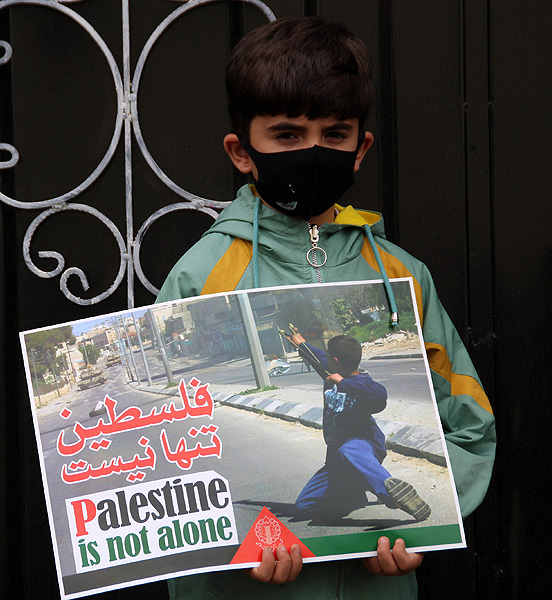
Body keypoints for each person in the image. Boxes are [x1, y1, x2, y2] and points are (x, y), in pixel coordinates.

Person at [156, 16, 496, 600]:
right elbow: (167, 458)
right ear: (241, 151)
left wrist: (433, 530)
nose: (312, 152)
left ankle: (388, 490)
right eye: (287, 135)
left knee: (358, 458)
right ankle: (358, 490)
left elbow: (470, 422)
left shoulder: (401, 274)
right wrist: (232, 556)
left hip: (373, 552)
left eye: (334, 134)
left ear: (360, 148)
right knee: (308, 506)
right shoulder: (202, 273)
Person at [289, 331, 432, 522]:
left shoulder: (363, 383)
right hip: (337, 459)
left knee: (348, 449)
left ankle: (393, 496)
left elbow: (380, 394)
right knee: (304, 506)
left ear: (336, 361)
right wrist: (301, 344)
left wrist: (343, 383)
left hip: (364, 447)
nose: (326, 360)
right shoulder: (330, 372)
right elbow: (318, 358)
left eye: (329, 357)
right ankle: (355, 488)